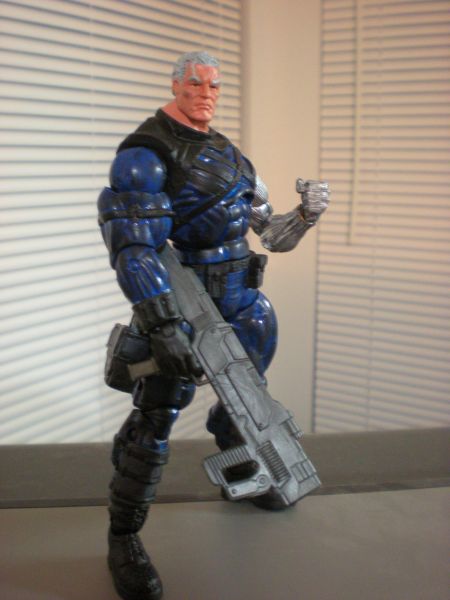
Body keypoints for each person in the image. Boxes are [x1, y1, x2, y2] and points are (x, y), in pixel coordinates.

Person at [97, 51, 329, 600]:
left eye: (214, 85)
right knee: (156, 418)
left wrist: (304, 215)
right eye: (195, 83)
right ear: (176, 85)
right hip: (183, 305)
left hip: (243, 303)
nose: (206, 93)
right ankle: (123, 536)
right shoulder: (145, 156)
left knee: (248, 400)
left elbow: (269, 234)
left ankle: (245, 472)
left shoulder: (230, 157)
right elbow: (134, 249)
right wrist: (162, 325)